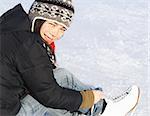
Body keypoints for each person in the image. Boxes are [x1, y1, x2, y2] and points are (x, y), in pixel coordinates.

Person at [0, 0, 140, 116]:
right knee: (55, 97)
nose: (56, 33)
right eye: (53, 24)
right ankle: (102, 110)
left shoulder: (11, 27)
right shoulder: (27, 43)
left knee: (61, 77)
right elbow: (49, 95)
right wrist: (87, 98)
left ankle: (102, 106)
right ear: (38, 17)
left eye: (62, 28)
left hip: (8, 105)